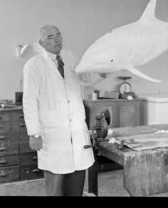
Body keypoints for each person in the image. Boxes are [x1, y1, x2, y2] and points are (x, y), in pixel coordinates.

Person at [22, 24, 108, 196]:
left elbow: (85, 77)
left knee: (77, 177)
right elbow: (29, 101)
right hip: (53, 132)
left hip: (75, 130)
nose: (56, 39)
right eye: (50, 37)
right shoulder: (33, 65)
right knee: (56, 181)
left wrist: (102, 72)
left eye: (58, 35)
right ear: (41, 42)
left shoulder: (70, 57)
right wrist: (34, 133)